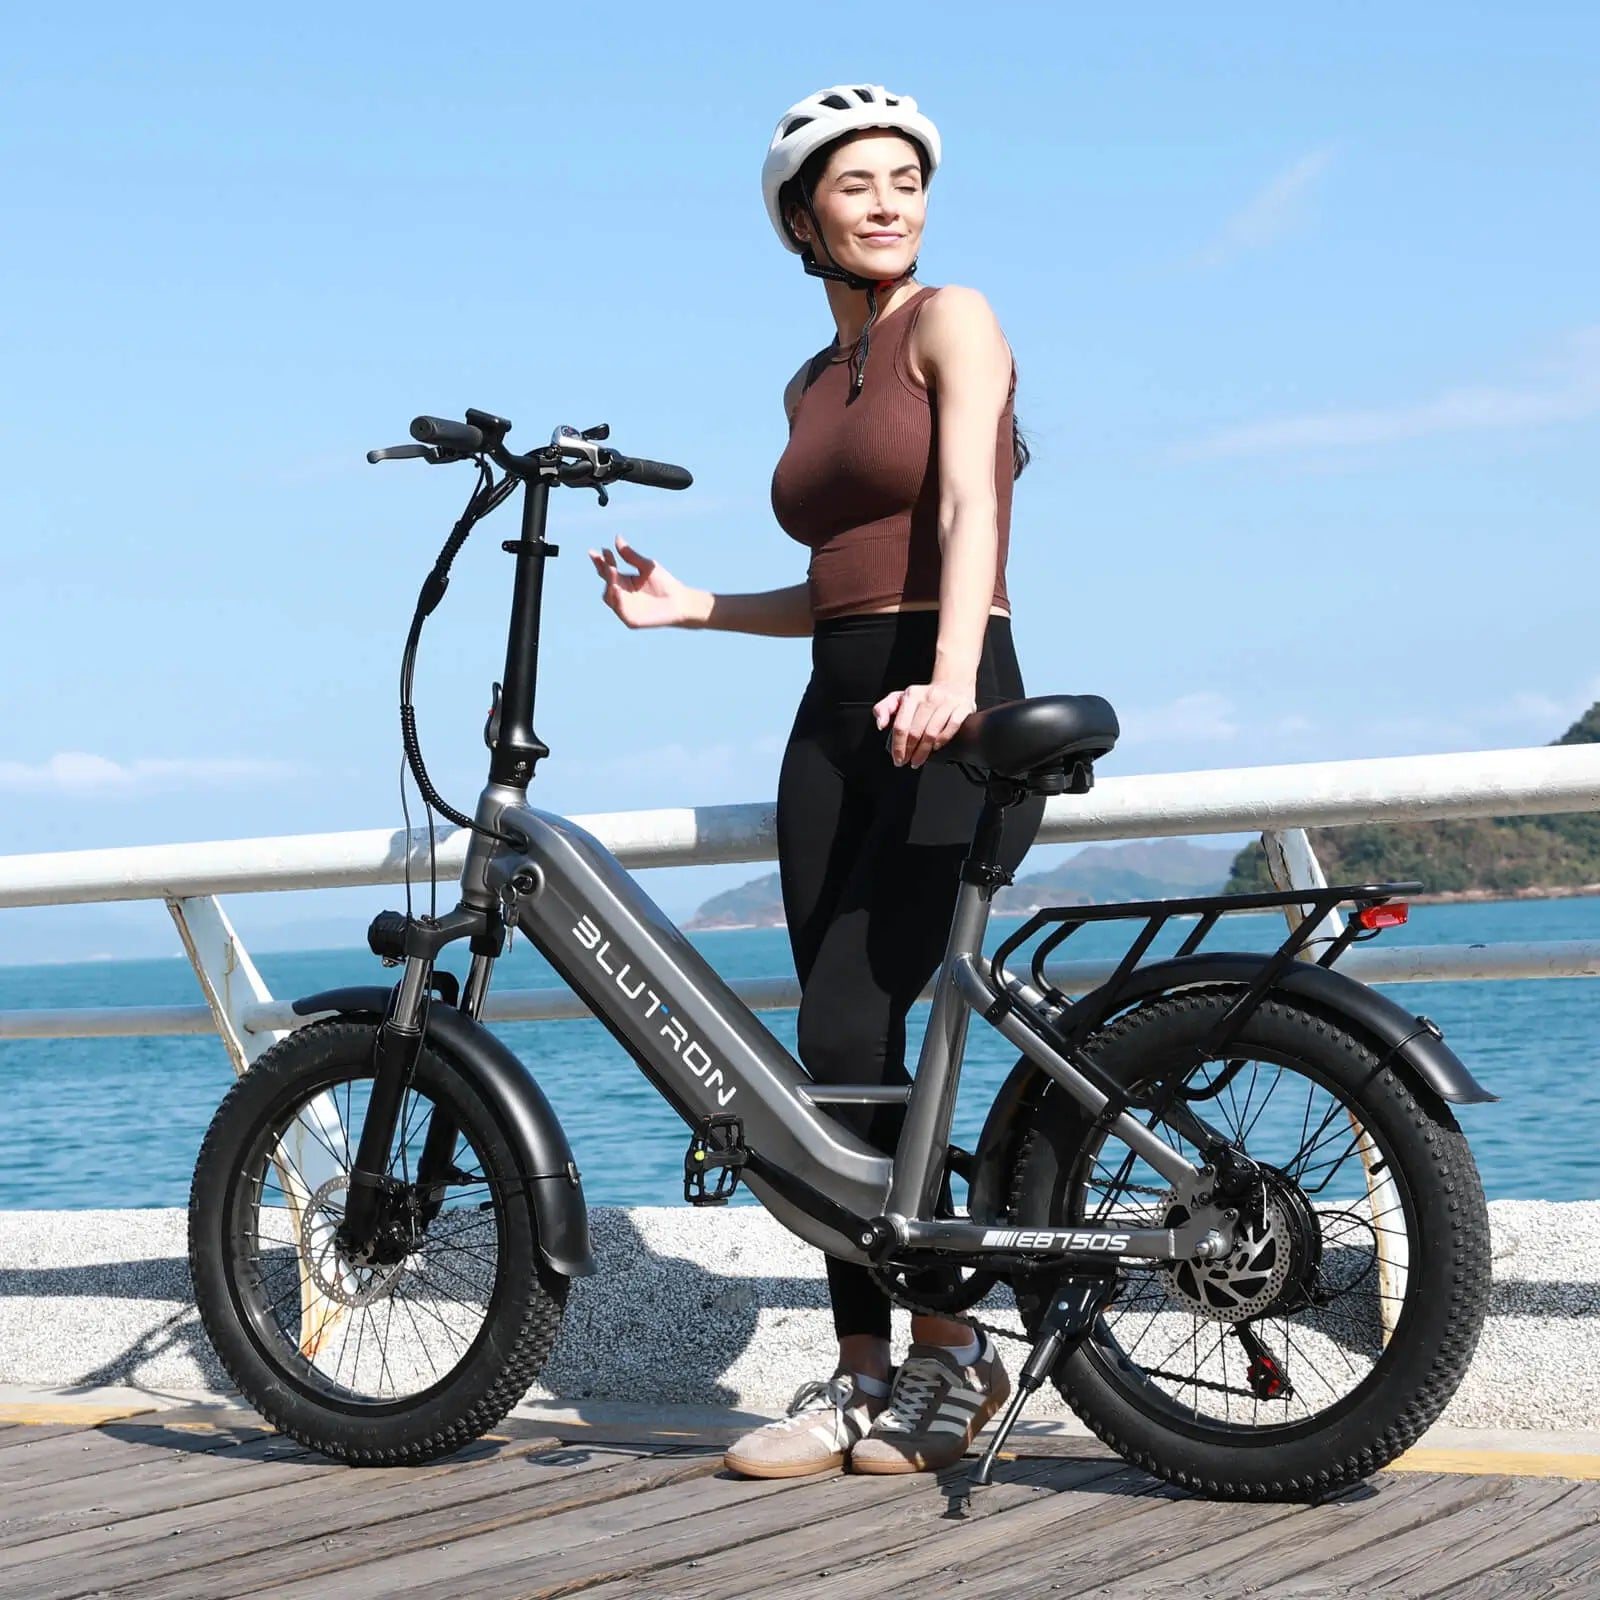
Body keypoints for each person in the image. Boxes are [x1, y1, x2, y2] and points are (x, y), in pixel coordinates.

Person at [588, 83, 1045, 1478]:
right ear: (802, 216)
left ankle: (953, 1353)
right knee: (826, 1064)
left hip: (951, 701)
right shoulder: (806, 381)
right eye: (860, 183)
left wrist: (957, 679)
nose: (894, 199)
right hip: (837, 716)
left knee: (857, 1020)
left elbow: (964, 504)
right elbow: (840, 584)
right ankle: (862, 1373)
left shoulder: (952, 317)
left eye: (908, 177)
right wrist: (699, 609)